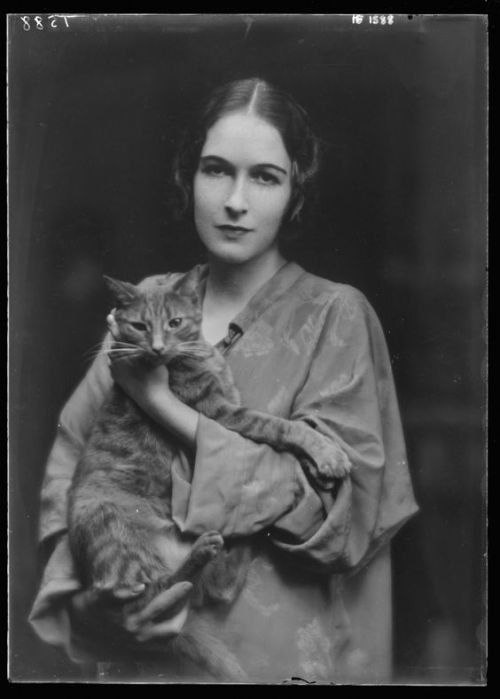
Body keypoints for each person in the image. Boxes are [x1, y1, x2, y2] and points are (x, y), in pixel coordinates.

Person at [29, 77, 419, 684]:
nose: (235, 200)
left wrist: (158, 400)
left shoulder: (335, 315)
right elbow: (66, 487)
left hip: (275, 662)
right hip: (147, 663)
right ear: (189, 180)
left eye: (265, 176)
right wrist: (96, 613)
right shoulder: (148, 304)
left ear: (295, 193)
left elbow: (337, 515)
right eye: (216, 170)